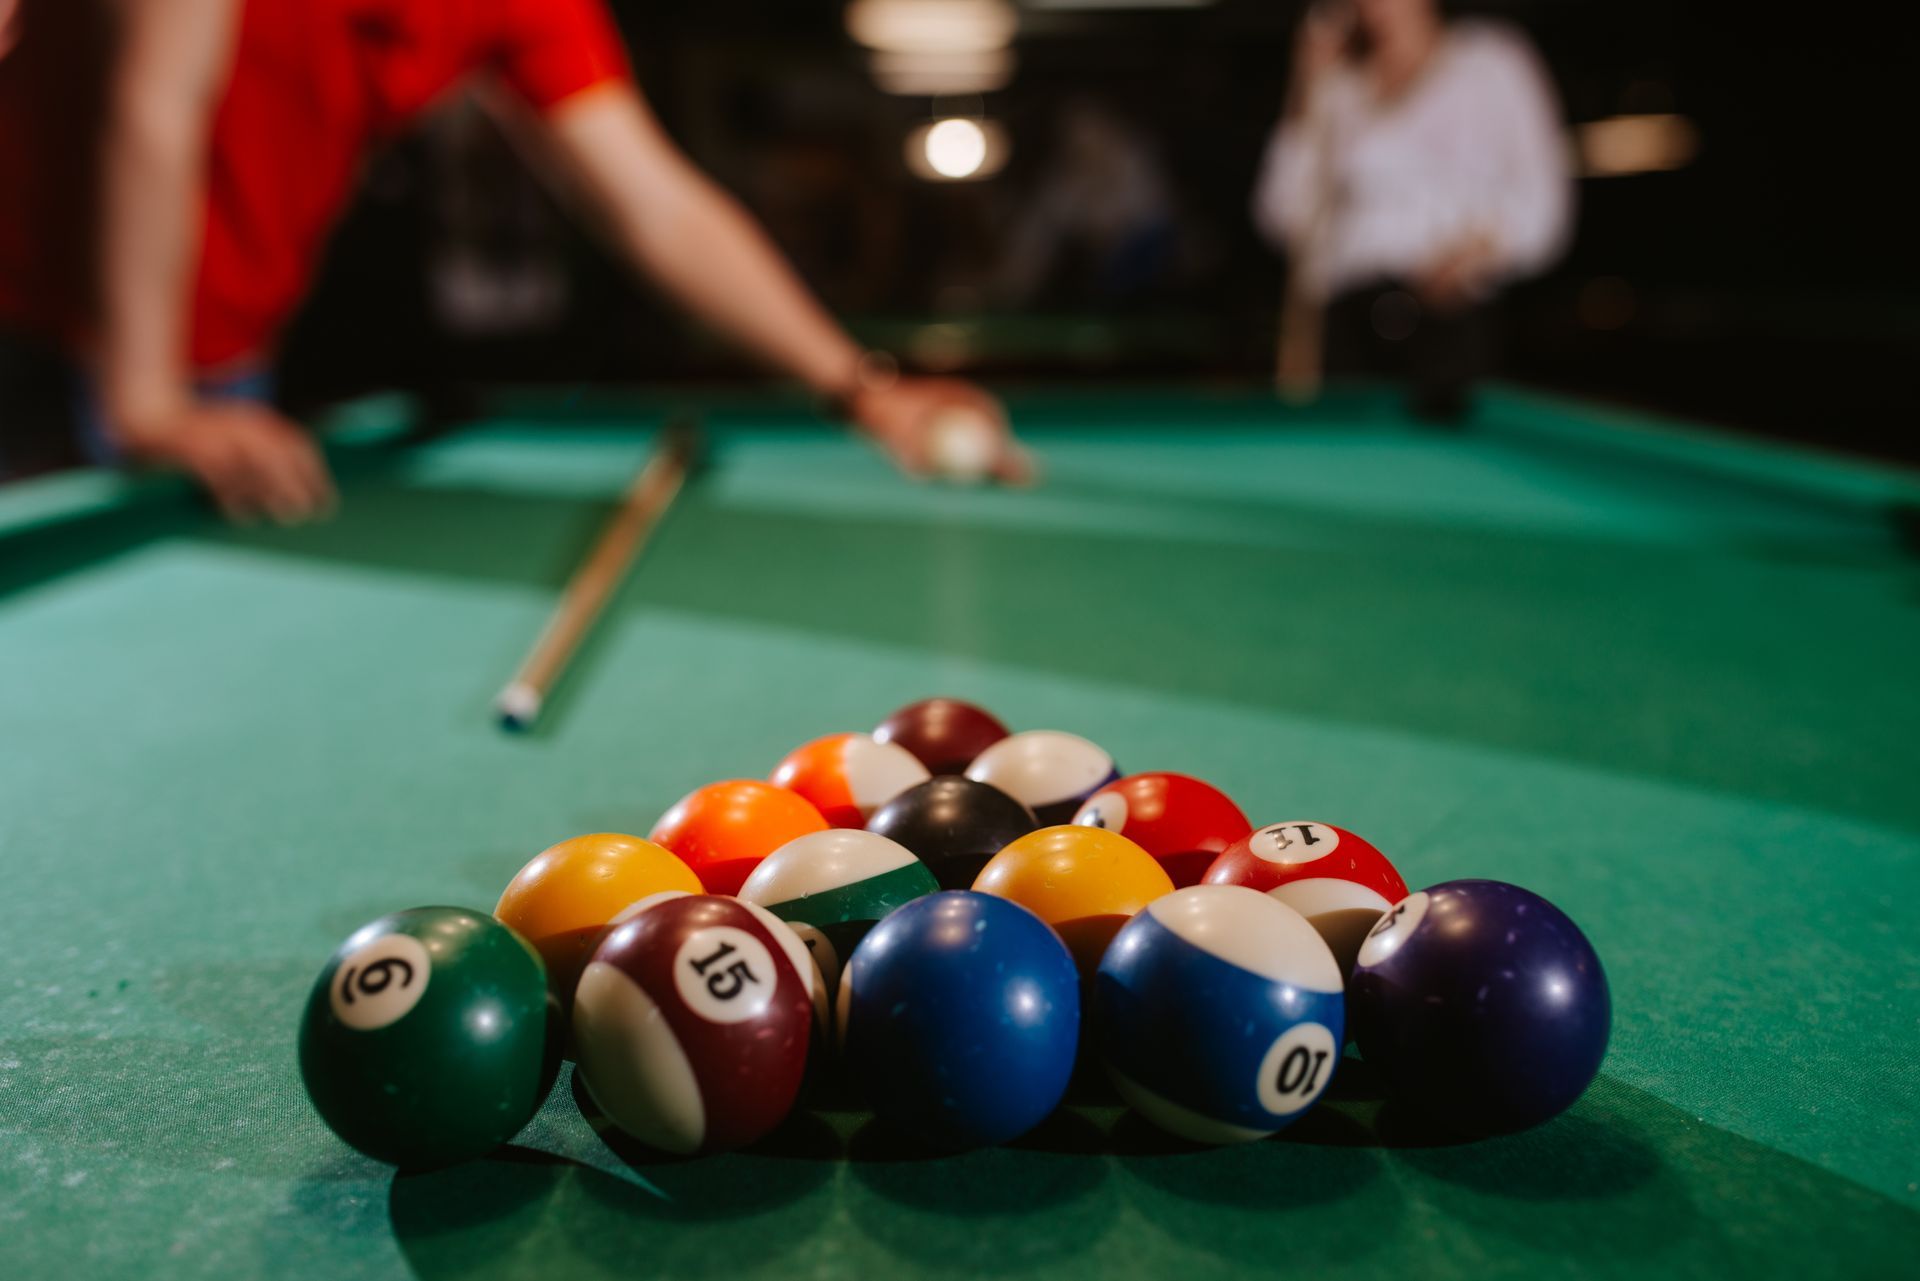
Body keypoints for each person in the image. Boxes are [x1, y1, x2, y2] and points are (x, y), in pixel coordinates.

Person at [0, 0, 1024, 518]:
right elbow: (155, 108)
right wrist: (145, 398)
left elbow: (653, 202)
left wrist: (863, 388)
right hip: (38, 334)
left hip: (219, 365)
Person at [1253, 0, 1572, 419]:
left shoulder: (1490, 63)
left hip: (1448, 321)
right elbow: (1281, 215)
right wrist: (1306, 91)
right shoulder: (1340, 88)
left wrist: (1480, 253)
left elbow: (1545, 202)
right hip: (1349, 326)